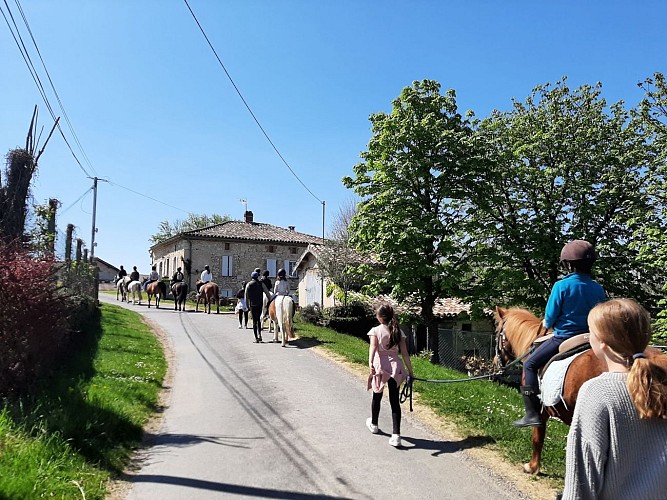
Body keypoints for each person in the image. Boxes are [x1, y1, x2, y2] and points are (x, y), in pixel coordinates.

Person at [562, 299, 667, 499]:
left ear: (602, 341)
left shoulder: (597, 391)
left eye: (590, 331)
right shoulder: (663, 383)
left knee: (532, 363)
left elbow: (582, 478)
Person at [513, 240, 606, 427]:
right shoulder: (598, 288)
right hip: (592, 338)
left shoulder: (561, 286)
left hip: (564, 336)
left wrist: (547, 322)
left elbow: (549, 319)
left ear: (568, 264)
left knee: (530, 364)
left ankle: (532, 414)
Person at [366, 303, 414, 447]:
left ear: (380, 318)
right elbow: (404, 353)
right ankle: (396, 435)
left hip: (380, 366)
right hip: (395, 368)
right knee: (394, 402)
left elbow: (373, 348)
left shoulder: (375, 330)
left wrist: (370, 364)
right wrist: (410, 371)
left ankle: (374, 424)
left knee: (377, 395)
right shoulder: (399, 331)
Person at [245, 271, 271, 342]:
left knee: (254, 321)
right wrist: (270, 300)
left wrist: (247, 306)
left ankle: (256, 337)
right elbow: (267, 293)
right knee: (258, 320)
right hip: (260, 304)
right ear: (257, 277)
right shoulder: (261, 284)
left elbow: (246, 296)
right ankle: (260, 335)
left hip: (252, 305)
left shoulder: (248, 284)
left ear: (252, 277)